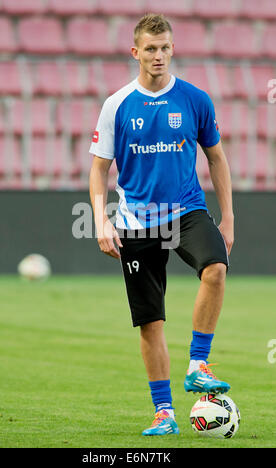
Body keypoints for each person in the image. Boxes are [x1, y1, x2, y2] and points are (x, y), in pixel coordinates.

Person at [89, 13, 234, 436]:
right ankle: (164, 413)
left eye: (165, 47)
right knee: (151, 322)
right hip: (136, 222)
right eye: (150, 48)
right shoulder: (116, 105)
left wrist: (227, 218)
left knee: (216, 268)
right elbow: (98, 171)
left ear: (173, 49)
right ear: (135, 52)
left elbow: (217, 158)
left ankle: (198, 365)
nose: (158, 55)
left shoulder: (194, 99)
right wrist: (101, 221)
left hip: (187, 210)